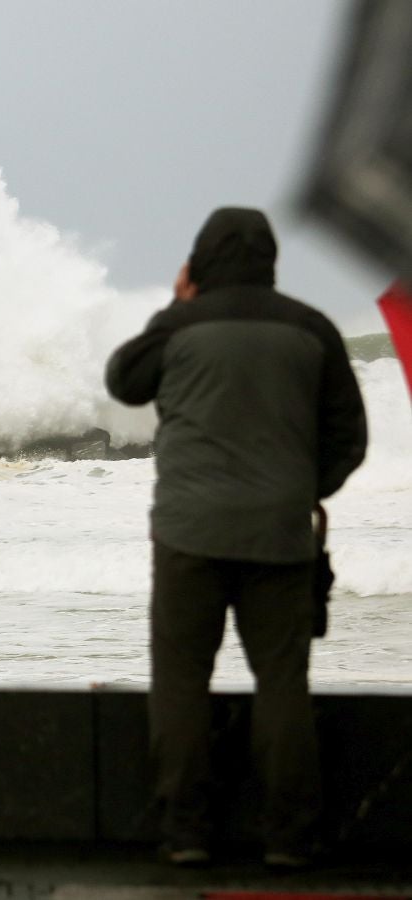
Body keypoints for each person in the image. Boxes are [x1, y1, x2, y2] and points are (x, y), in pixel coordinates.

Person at [105, 207, 368, 868]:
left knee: (181, 681)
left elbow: (123, 380)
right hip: (279, 535)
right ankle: (287, 839)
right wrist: (302, 492)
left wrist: (174, 301)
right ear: (270, 261)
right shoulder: (311, 328)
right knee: (281, 683)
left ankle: (185, 834)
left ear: (197, 263)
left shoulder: (180, 324)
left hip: (187, 534)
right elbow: (349, 437)